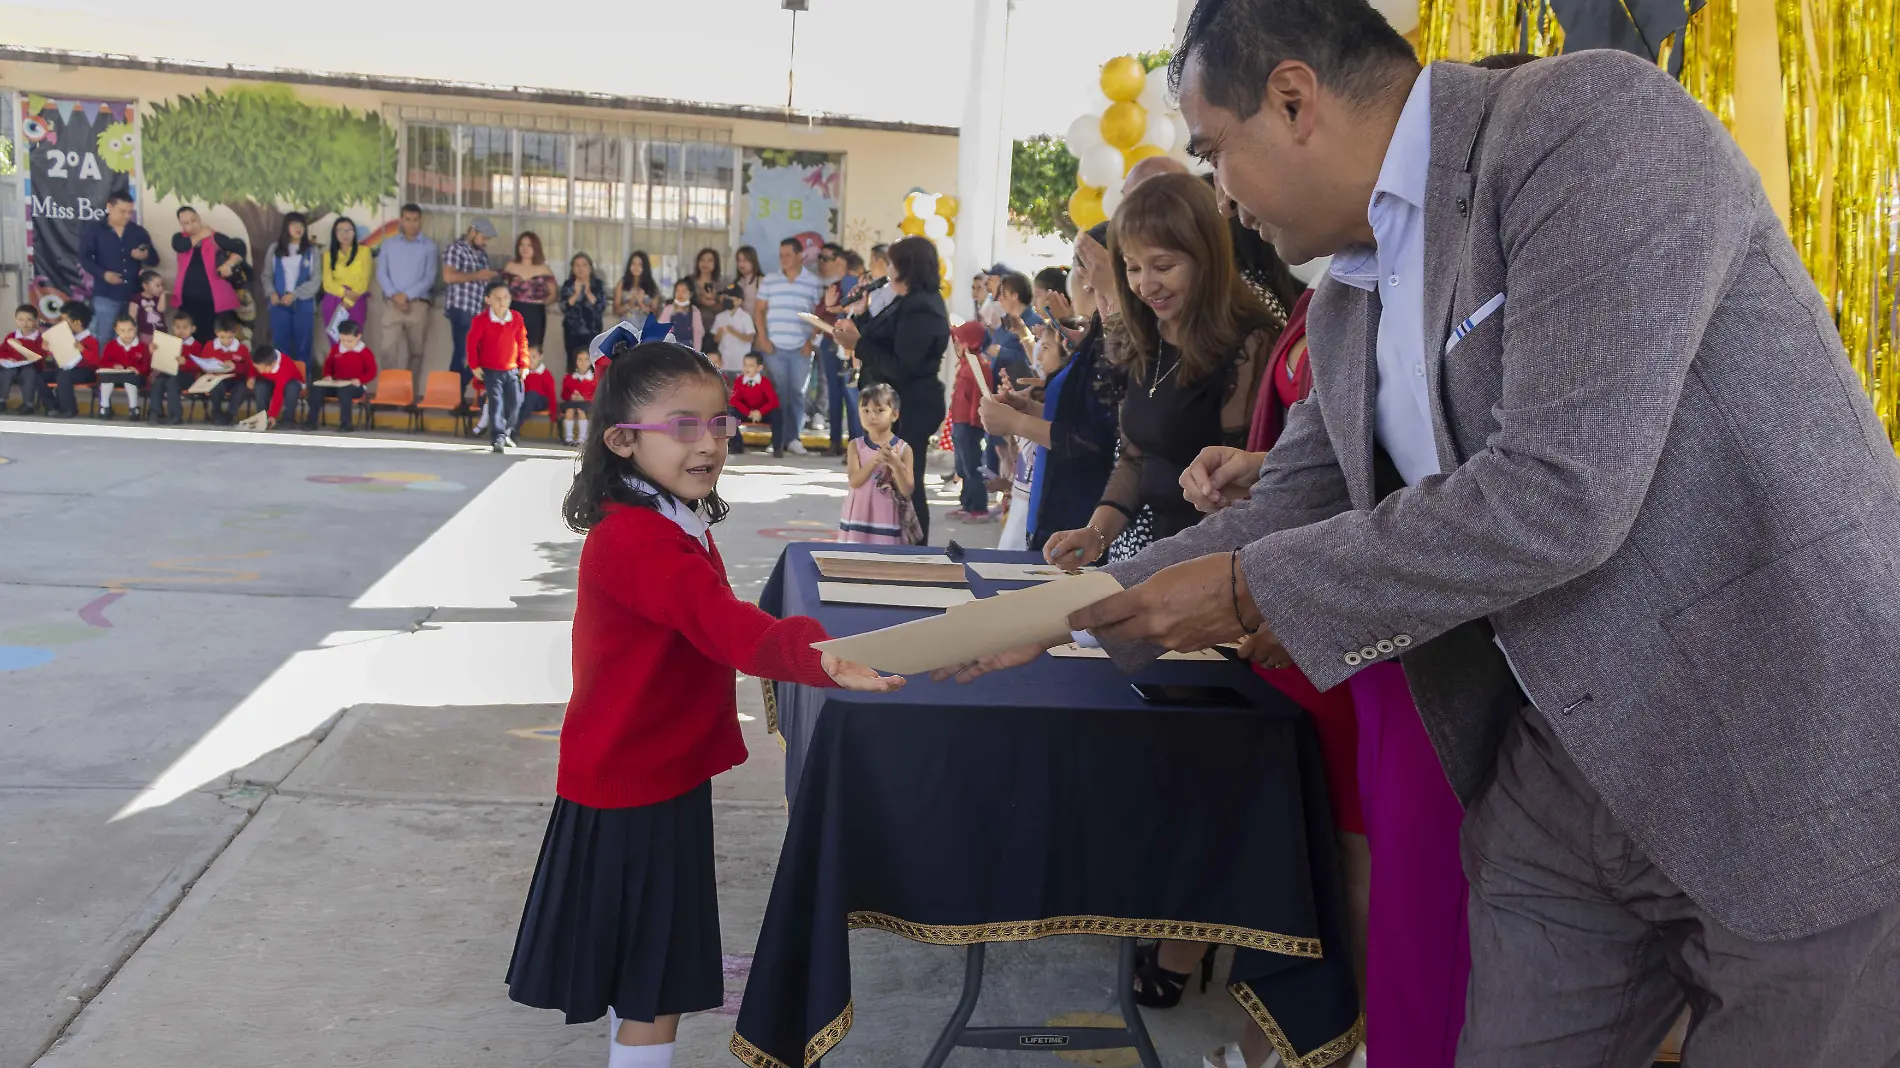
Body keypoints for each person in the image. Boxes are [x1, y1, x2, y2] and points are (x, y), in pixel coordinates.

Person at [958, 2, 1900, 1064]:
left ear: (1295, 99)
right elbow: (1290, 507)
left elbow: (1560, 490)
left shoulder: (1588, 126)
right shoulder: (1352, 295)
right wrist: (1050, 613)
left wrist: (1246, 592)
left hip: (1786, 742)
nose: (1220, 194)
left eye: (1218, 152)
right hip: (1560, 767)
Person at [505, 340, 899, 1068]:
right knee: (653, 982)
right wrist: (821, 656)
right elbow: (721, 625)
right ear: (623, 440)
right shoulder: (638, 538)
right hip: (635, 788)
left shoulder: (665, 519)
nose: (710, 442)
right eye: (684, 426)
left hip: (648, 776)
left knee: (644, 973)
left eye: (719, 424)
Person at [1041, 172, 1283, 571]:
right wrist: (1095, 534)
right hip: (1159, 555)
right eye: (1133, 268)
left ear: (1206, 257)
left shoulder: (1249, 342)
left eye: (1163, 266)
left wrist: (1158, 574)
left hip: (1215, 564)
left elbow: (1233, 493)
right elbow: (1135, 458)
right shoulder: (1147, 330)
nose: (1145, 285)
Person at [833, 236, 949, 543]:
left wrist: (857, 345)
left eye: (894, 264)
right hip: (892, 404)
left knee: (907, 483)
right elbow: (878, 337)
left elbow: (902, 364)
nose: (889, 270)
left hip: (911, 406)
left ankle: (913, 552)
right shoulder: (905, 300)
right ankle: (889, 544)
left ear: (908, 268)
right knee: (887, 482)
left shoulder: (923, 308)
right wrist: (860, 311)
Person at [752, 237, 826, 456]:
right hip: (774, 347)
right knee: (777, 394)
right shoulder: (770, 281)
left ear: (799, 256)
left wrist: (810, 342)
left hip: (801, 348)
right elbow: (759, 310)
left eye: (787, 254)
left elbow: (819, 315)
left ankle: (793, 438)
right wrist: (763, 338)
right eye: (781, 254)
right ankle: (778, 439)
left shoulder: (812, 281)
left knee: (796, 394)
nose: (783, 259)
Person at [838, 383, 916, 544]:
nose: (871, 416)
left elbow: (907, 489)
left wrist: (895, 465)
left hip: (887, 517)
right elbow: (854, 481)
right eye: (865, 411)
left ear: (894, 415)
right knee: (855, 560)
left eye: (879, 410)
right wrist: (875, 460)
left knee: (885, 560)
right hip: (858, 516)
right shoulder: (855, 446)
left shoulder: (903, 449)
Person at [374, 204, 437, 389]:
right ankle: (389, 392)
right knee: (388, 350)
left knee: (416, 352)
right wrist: (395, 295)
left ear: (421, 220)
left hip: (418, 305)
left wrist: (407, 295)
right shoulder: (388, 243)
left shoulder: (430, 247)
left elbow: (430, 277)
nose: (412, 224)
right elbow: (382, 273)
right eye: (408, 219)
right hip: (391, 305)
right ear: (401, 220)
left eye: (416, 219)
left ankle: (409, 394)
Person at [77, 190, 154, 331]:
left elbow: (154, 260)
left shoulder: (138, 232)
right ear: (109, 207)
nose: (127, 216)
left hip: (134, 295)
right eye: (122, 211)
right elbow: (84, 257)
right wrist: (104, 274)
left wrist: (145, 256)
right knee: (104, 336)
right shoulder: (95, 230)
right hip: (106, 293)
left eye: (130, 212)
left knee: (131, 337)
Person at [467, 279, 528, 453]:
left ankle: (506, 431)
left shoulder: (516, 318)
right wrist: (475, 366)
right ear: (488, 300)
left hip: (512, 369)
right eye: (497, 298)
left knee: (516, 401)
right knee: (496, 403)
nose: (502, 302)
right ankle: (498, 438)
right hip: (491, 371)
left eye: (505, 297)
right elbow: (471, 344)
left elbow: (522, 342)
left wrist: (524, 364)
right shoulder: (481, 320)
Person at [169, 206, 246, 344]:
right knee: (190, 337)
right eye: (186, 223)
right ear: (181, 225)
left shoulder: (214, 237)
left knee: (214, 336)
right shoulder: (179, 238)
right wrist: (201, 234)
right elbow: (181, 246)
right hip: (188, 298)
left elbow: (240, 248)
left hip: (214, 298)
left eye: (194, 220)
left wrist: (229, 264)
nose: (191, 225)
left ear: (199, 218)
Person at [442, 217, 501, 397]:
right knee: (464, 353)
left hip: (477, 311)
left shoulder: (481, 254)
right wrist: (478, 275)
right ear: (473, 231)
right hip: (460, 308)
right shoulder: (456, 248)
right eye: (484, 237)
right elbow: (449, 277)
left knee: (474, 353)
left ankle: (455, 394)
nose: (486, 242)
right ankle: (454, 396)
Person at [814, 245, 862, 455]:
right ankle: (840, 443)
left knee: (847, 395)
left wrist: (831, 308)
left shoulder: (856, 286)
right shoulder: (834, 286)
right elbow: (820, 312)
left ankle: (847, 443)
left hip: (846, 344)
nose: (836, 266)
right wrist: (828, 307)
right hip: (831, 342)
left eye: (839, 263)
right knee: (840, 394)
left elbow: (826, 311)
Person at [946, 320, 994, 522]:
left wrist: (978, 423)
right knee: (962, 465)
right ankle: (967, 503)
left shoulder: (979, 366)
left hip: (969, 424)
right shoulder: (965, 364)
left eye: (959, 340)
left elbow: (982, 396)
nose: (956, 345)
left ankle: (979, 507)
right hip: (959, 421)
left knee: (972, 464)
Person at [264, 212, 320, 381]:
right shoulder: (275, 249)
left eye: (301, 226)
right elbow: (267, 276)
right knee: (281, 346)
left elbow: (315, 280)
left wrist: (295, 295)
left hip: (303, 304)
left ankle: (302, 384)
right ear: (286, 227)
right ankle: (283, 382)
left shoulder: (312, 251)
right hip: (279, 304)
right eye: (294, 225)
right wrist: (271, 292)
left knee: (303, 346)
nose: (298, 229)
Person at [304, 319, 376, 433]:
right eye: (343, 340)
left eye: (349, 341)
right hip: (336, 384)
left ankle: (346, 423)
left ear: (358, 337)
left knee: (345, 391)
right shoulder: (336, 349)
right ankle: (311, 422)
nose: (346, 344)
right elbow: (328, 366)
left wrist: (360, 380)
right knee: (316, 389)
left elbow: (372, 372)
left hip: (355, 386)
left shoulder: (365, 352)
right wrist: (327, 376)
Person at [195, 312, 253, 426]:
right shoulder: (210, 346)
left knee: (241, 389)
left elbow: (248, 367)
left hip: (236, 379)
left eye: (230, 337)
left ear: (235, 333)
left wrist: (235, 366)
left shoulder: (241, 348)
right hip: (217, 378)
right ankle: (216, 413)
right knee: (216, 387)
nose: (226, 341)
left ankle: (230, 414)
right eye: (222, 337)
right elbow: (202, 364)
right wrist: (208, 370)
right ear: (216, 333)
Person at [502, 231, 558, 350]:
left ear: (535, 248)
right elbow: (502, 291)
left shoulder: (544, 269)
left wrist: (541, 302)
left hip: (535, 314)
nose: (525, 248)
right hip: (513, 311)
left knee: (532, 350)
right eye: (522, 244)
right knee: (510, 349)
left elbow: (553, 294)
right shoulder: (510, 266)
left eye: (529, 245)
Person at [47, 300, 101, 419]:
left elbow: (95, 361)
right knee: (41, 376)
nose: (62, 324)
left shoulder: (90, 340)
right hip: (65, 369)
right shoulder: (66, 337)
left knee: (64, 376)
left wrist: (83, 350)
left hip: (85, 371)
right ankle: (51, 406)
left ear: (77, 323)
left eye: (66, 321)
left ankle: (69, 409)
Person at [326, 215, 373, 350]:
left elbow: (364, 279)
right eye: (340, 230)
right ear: (335, 233)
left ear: (354, 233)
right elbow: (327, 283)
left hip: (356, 300)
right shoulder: (328, 255)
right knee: (336, 343)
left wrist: (350, 300)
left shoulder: (364, 252)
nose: (344, 234)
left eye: (348, 230)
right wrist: (344, 293)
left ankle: (355, 370)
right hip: (334, 302)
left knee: (354, 342)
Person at [95, 312, 149, 419]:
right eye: (122, 331)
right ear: (116, 330)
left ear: (136, 329)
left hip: (134, 377)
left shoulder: (142, 347)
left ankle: (133, 408)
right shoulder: (111, 345)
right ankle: (104, 407)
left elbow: (146, 366)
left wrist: (137, 369)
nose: (127, 334)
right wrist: (114, 366)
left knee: (130, 380)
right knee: (106, 379)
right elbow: (103, 363)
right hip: (115, 375)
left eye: (130, 330)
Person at [561, 254, 607, 375]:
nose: (581, 269)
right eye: (577, 265)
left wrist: (588, 293)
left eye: (584, 265)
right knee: (572, 364)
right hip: (572, 332)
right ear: (573, 268)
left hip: (592, 331)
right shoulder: (568, 284)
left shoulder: (598, 284)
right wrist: (576, 294)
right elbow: (564, 307)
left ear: (590, 268)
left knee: (592, 365)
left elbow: (601, 307)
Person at [727, 351, 779, 456]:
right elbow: (733, 400)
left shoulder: (765, 382)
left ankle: (776, 446)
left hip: (762, 413)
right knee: (730, 414)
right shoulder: (739, 381)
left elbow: (774, 401)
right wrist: (749, 412)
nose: (747, 368)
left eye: (751, 365)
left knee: (777, 414)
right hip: (746, 412)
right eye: (745, 365)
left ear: (759, 368)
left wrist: (760, 412)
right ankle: (736, 445)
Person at [149, 310, 196, 425]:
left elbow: (198, 365)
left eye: (185, 327)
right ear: (173, 328)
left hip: (186, 376)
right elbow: (161, 359)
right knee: (158, 382)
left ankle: (176, 415)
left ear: (192, 329)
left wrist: (186, 362)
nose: (181, 330)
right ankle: (156, 413)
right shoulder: (169, 342)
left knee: (172, 383)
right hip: (169, 372)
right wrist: (154, 351)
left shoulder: (195, 345)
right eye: (178, 327)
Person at [244, 344, 305, 429]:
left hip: (290, 382)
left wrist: (273, 415)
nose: (260, 371)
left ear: (273, 364)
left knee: (292, 389)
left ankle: (287, 420)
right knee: (260, 386)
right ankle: (262, 418)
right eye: (258, 369)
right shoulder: (262, 360)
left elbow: (278, 393)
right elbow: (253, 367)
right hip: (272, 380)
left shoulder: (285, 367)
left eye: (262, 369)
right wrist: (251, 377)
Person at [1, 304, 47, 414]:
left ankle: (28, 404)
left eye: (29, 319)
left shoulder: (40, 338)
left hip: (30, 367)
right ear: (16, 320)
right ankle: (1, 400)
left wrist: (23, 346)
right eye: (21, 319)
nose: (25, 323)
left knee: (29, 373)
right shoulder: (12, 336)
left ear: (35, 321)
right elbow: (2, 351)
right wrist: (7, 358)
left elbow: (41, 355)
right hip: (12, 367)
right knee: (5, 372)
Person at [710, 284, 756, 373]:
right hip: (723, 362)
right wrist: (719, 334)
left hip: (740, 363)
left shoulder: (745, 317)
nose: (727, 299)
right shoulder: (720, 317)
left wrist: (734, 332)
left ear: (739, 301)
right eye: (726, 297)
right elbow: (715, 340)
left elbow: (750, 338)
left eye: (730, 297)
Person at [517, 346, 559, 439]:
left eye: (534, 357)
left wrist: (554, 415)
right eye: (528, 357)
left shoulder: (545, 374)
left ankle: (514, 427)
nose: (531, 360)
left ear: (540, 357)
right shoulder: (523, 372)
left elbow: (551, 395)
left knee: (532, 394)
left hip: (540, 402)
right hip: (525, 400)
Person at [560, 347, 600, 447]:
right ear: (576, 361)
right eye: (580, 359)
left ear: (591, 362)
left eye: (586, 359)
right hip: (572, 403)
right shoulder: (569, 377)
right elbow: (564, 395)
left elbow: (597, 395)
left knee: (581, 410)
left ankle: (582, 439)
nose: (583, 363)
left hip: (588, 405)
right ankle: (569, 438)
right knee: (570, 410)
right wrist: (571, 396)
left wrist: (584, 398)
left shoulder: (594, 379)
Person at [688, 248, 725, 352]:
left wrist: (714, 302)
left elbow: (725, 309)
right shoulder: (689, 281)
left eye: (710, 260)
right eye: (702, 260)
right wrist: (700, 300)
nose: (705, 263)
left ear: (715, 264)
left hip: (713, 330)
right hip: (691, 328)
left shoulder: (720, 285)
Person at [658, 280, 707, 351]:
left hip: (689, 349)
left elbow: (698, 334)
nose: (680, 294)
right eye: (677, 291)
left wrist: (697, 353)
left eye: (684, 291)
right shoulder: (668, 309)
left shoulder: (694, 311)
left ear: (690, 294)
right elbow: (661, 330)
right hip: (671, 348)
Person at [614, 251, 660, 323]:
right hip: (625, 328)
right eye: (633, 263)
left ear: (645, 267)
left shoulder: (652, 286)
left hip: (644, 329)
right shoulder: (622, 283)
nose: (636, 267)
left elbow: (655, 315)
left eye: (640, 264)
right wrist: (629, 304)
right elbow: (616, 311)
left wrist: (642, 304)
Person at [134, 270, 167, 345]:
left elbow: (161, 309)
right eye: (157, 285)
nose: (161, 288)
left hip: (161, 334)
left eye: (162, 285)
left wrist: (162, 295)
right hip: (145, 333)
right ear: (145, 286)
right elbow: (132, 317)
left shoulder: (158, 298)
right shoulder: (137, 298)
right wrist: (134, 334)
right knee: (146, 353)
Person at [731, 245, 765, 315]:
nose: (741, 264)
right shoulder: (736, 283)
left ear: (753, 261)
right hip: (740, 323)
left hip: (756, 323)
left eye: (745, 260)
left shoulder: (761, 281)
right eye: (739, 260)